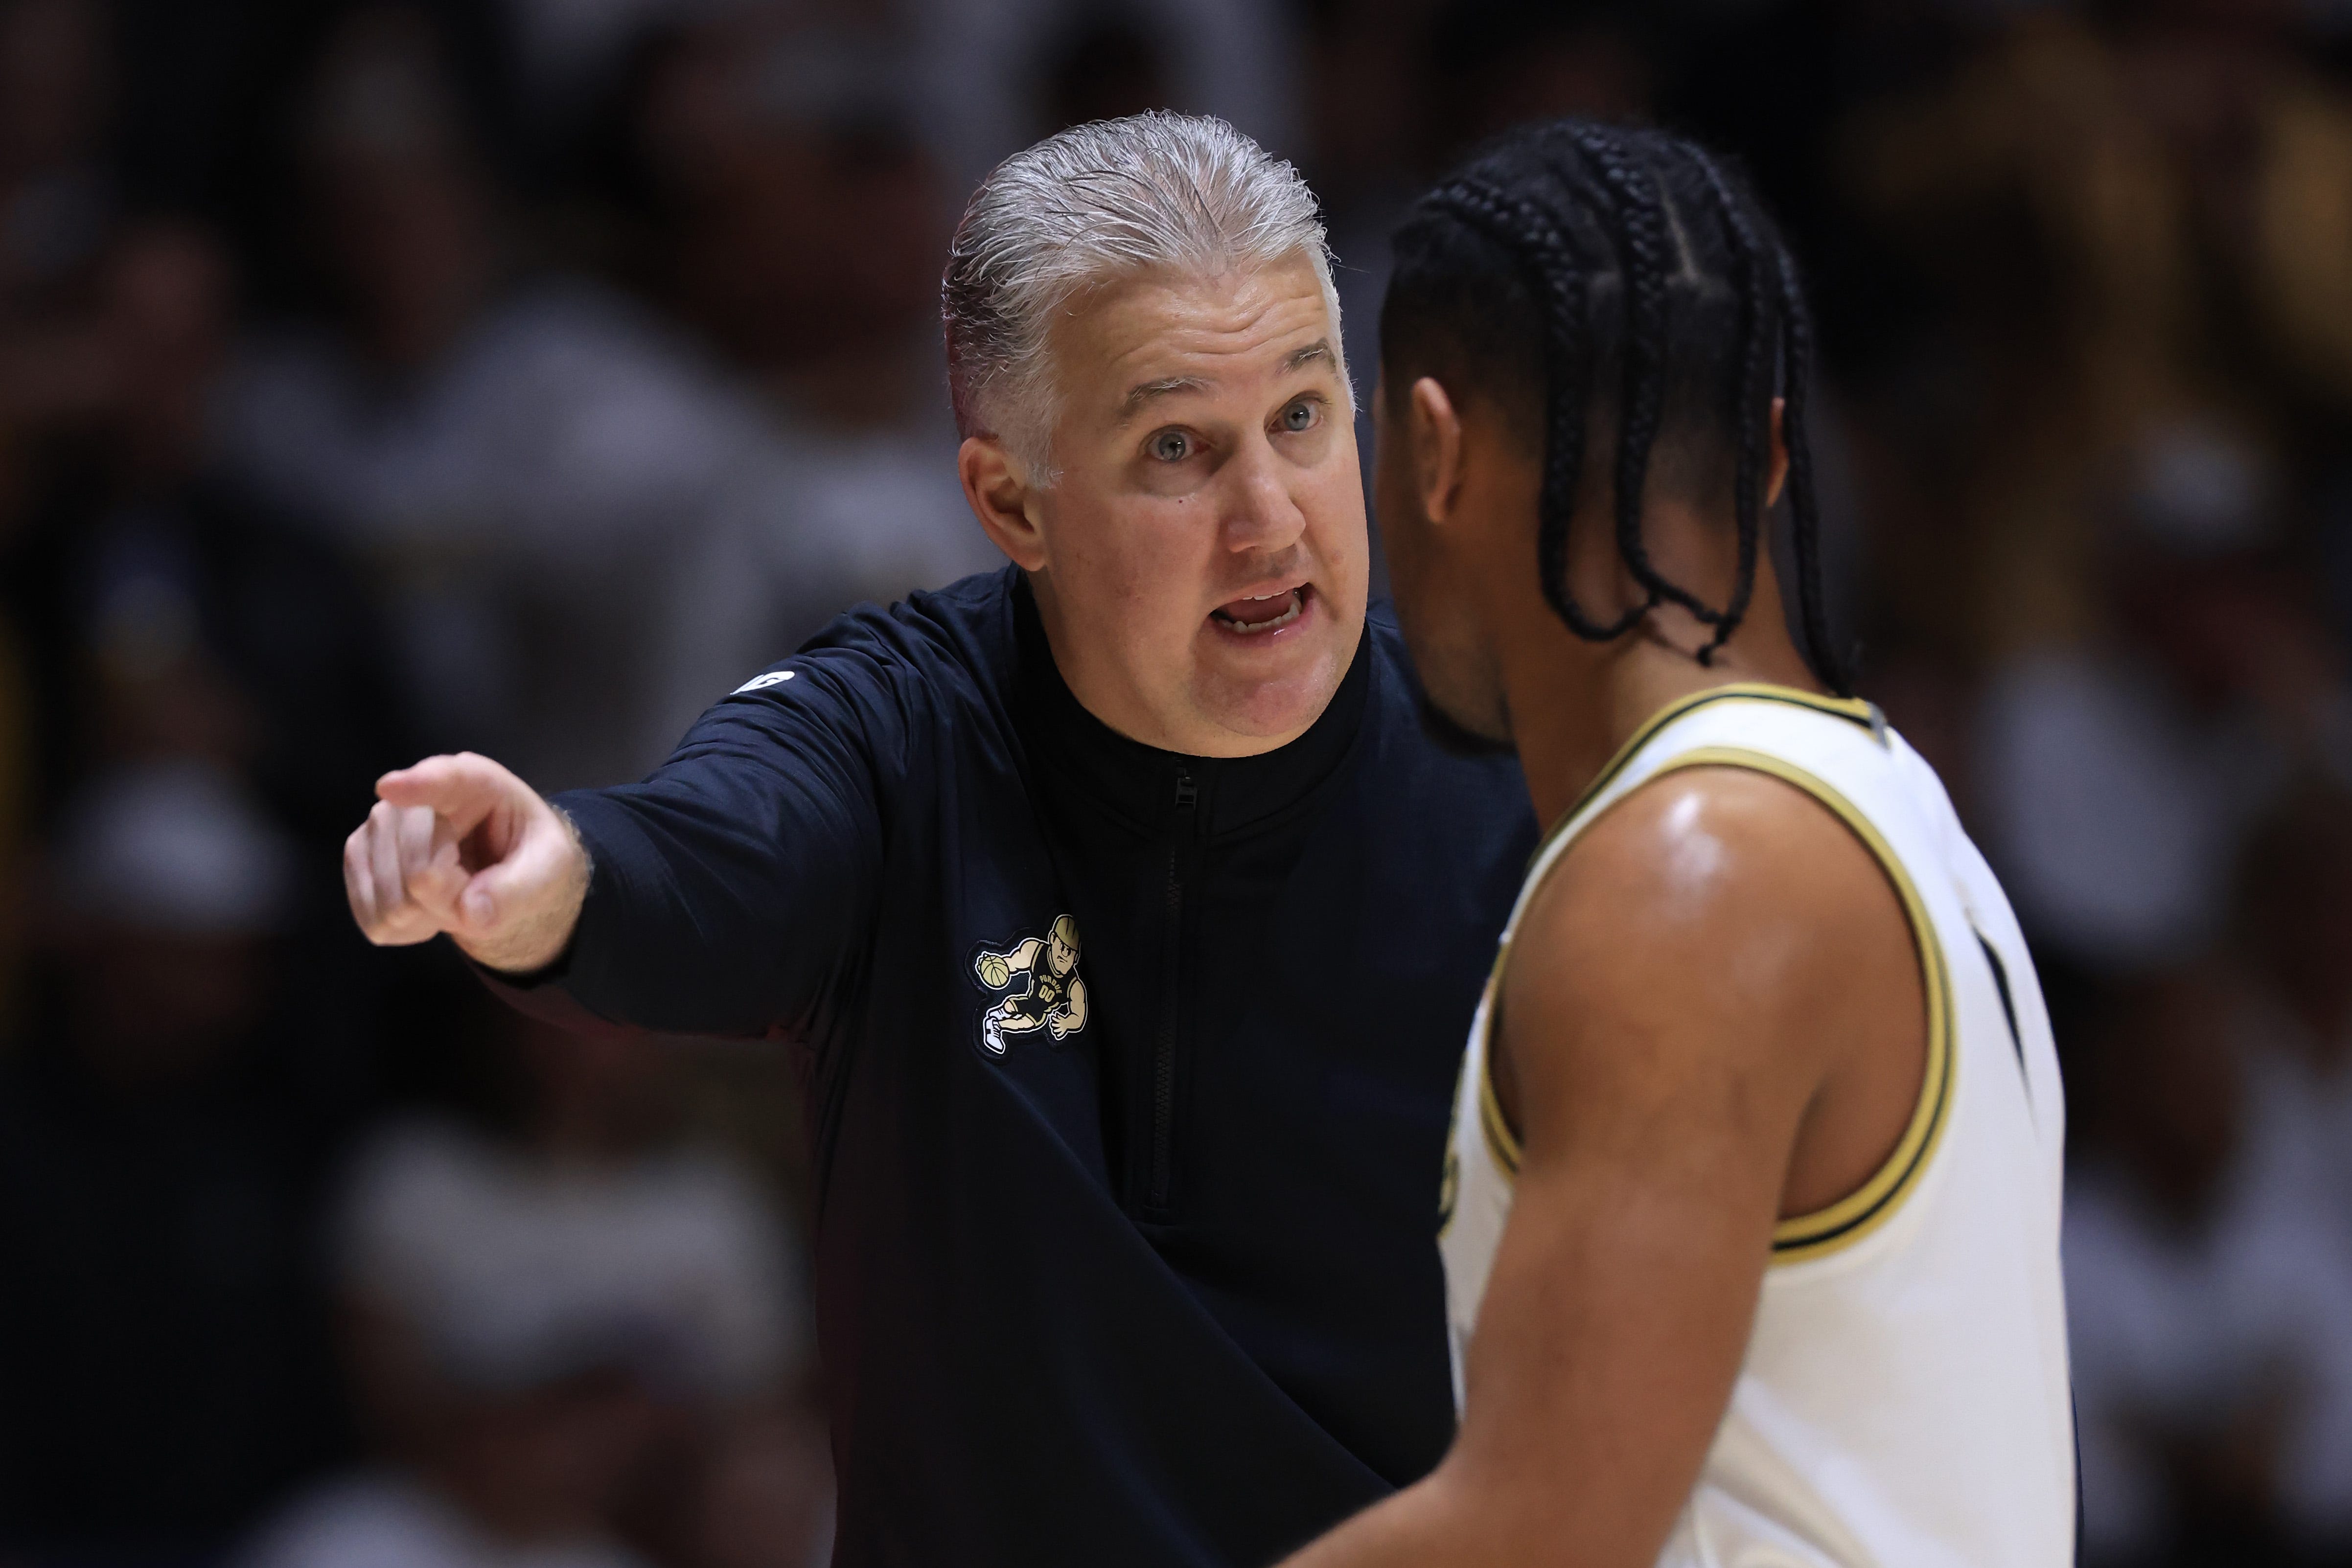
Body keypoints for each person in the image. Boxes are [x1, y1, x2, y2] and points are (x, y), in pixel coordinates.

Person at [340, 113, 1536, 1565]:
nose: (1269, 516)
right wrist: (548, 882)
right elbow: (705, 853)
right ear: (1010, 503)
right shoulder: (898, 733)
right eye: (1179, 447)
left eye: (1301, 417)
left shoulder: (1518, 794)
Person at [1281, 121, 2074, 1567]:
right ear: (1775, 455)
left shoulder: (1692, 879)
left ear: (1433, 453)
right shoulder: (1884, 806)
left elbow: (1539, 1529)